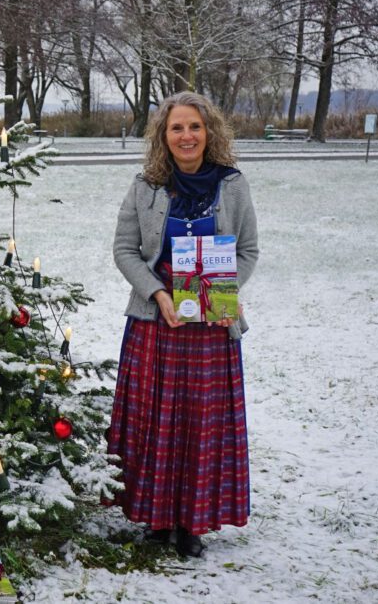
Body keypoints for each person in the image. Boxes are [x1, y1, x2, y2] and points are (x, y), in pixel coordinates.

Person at [106, 91, 259, 558]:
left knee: (200, 423)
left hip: (212, 322)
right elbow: (125, 250)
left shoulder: (232, 185)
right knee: (156, 420)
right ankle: (154, 518)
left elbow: (247, 251)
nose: (187, 136)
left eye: (195, 126)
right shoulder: (146, 185)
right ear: (163, 135)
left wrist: (221, 292)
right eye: (177, 128)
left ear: (208, 131)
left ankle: (193, 523)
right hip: (157, 317)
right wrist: (157, 292)